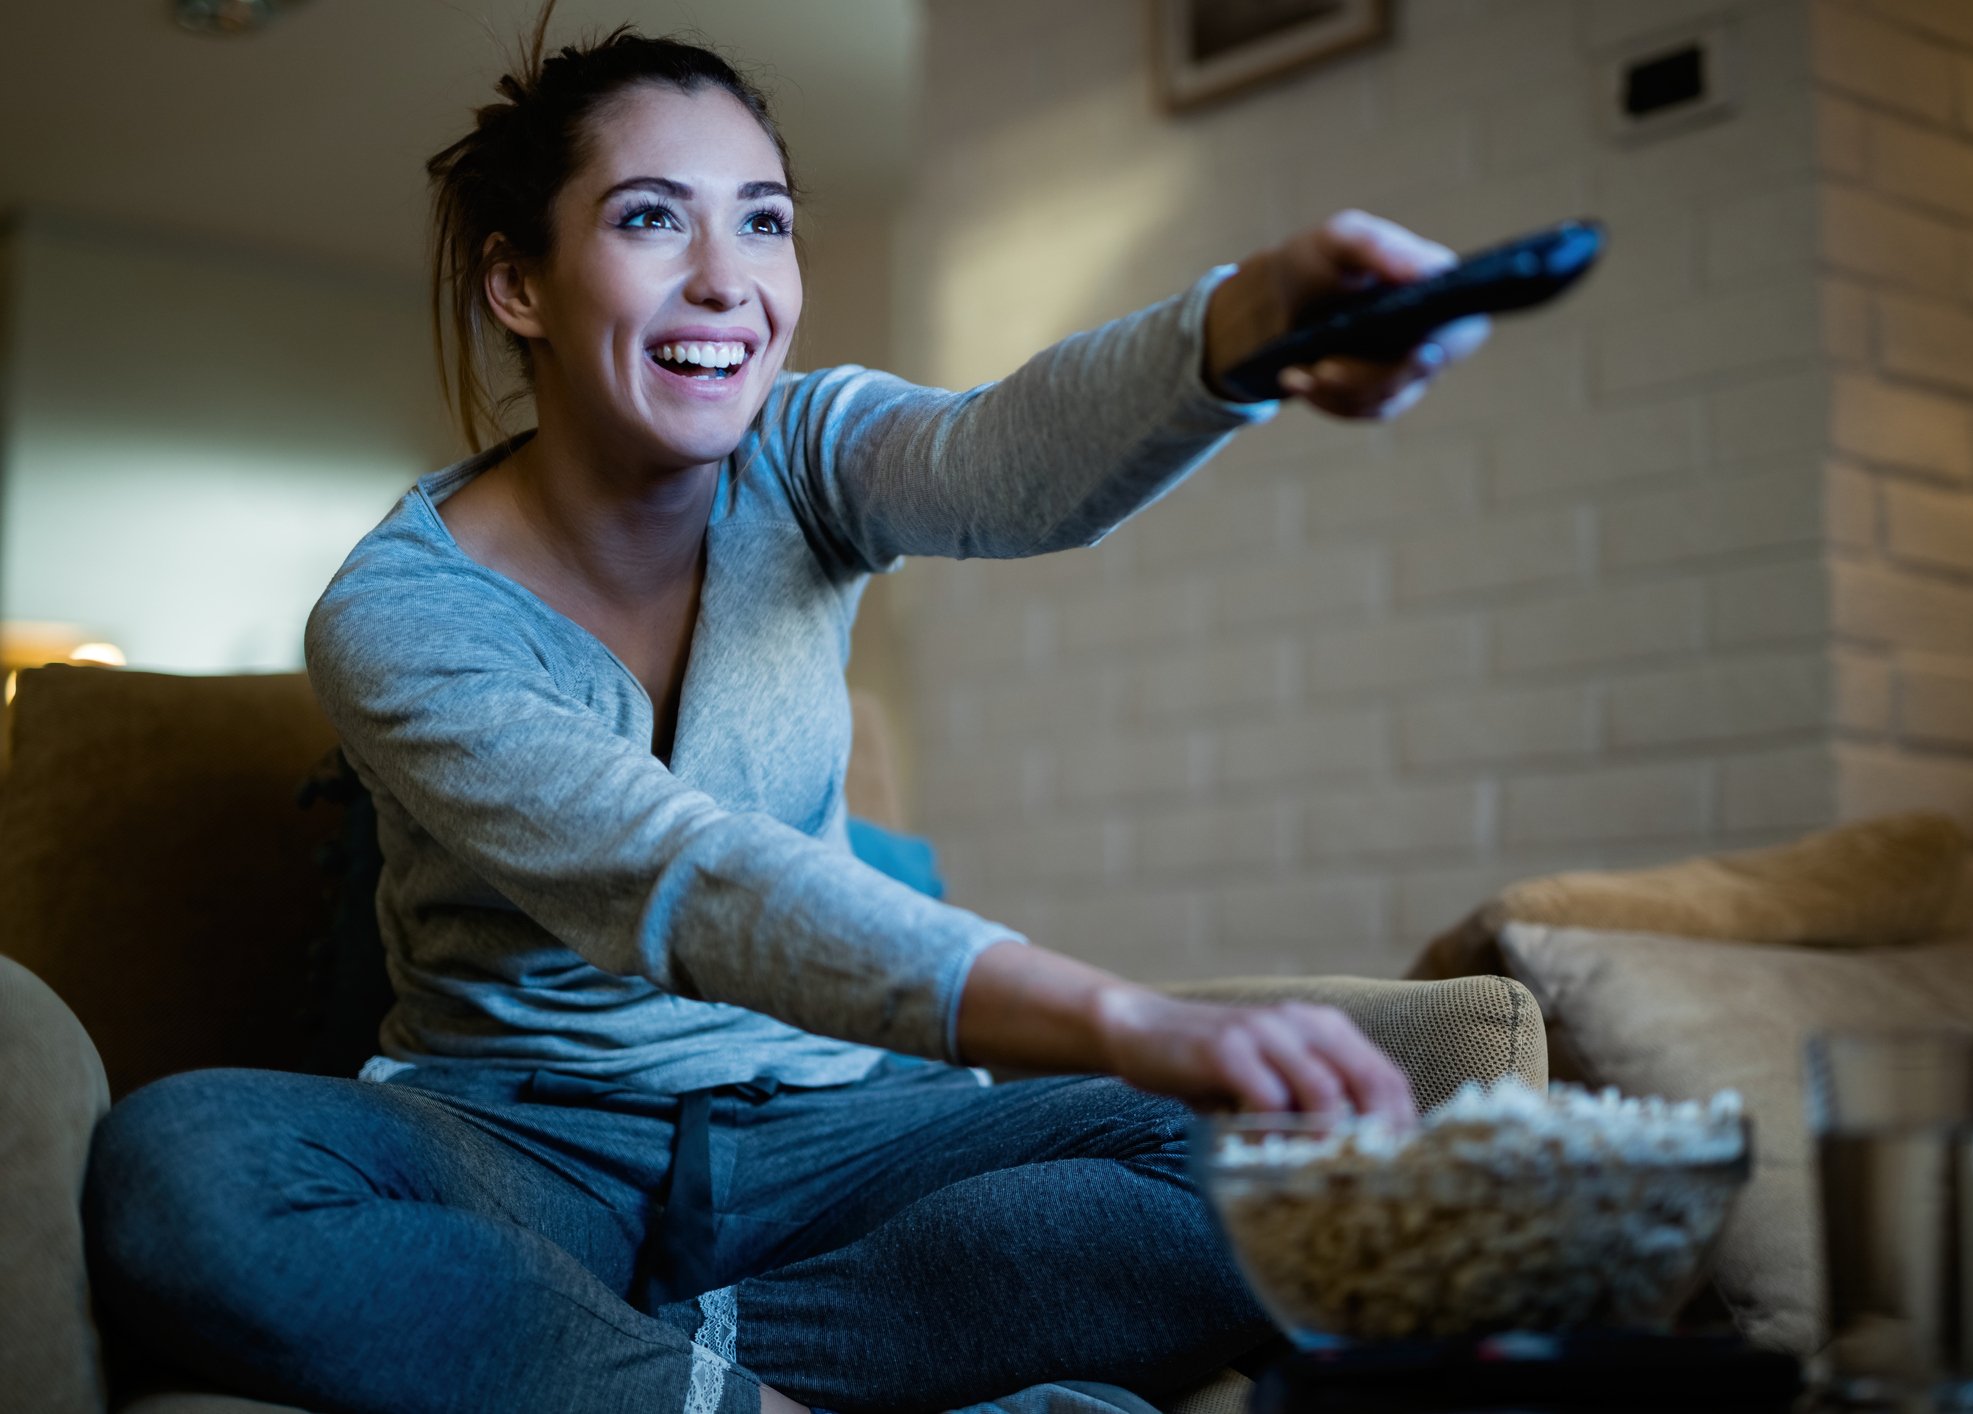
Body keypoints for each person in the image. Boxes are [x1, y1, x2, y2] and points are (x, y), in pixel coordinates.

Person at [80, 11, 1488, 1414]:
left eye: (764, 223)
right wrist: (1119, 1016)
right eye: (650, 219)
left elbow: (998, 458)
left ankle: (631, 1370)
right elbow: (681, 878)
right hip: (517, 1147)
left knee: (1295, 1172)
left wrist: (1241, 328)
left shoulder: (805, 453)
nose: (727, 283)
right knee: (184, 1163)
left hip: (835, 1136)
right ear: (519, 283)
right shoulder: (401, 615)